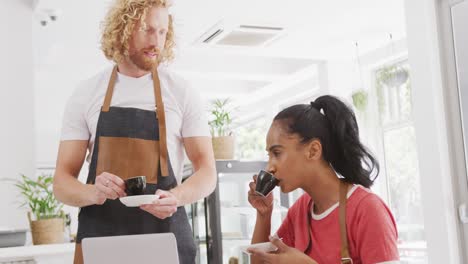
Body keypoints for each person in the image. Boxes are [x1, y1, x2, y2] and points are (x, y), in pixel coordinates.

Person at [52, 1, 216, 263]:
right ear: (123, 30)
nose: (157, 42)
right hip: (102, 244)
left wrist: (175, 197)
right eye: (147, 30)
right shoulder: (85, 94)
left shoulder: (182, 91)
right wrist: (94, 192)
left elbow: (207, 172)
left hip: (165, 240)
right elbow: (61, 182)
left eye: (162, 32)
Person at [247, 95, 399, 264]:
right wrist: (263, 215)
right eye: (269, 155)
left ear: (313, 151)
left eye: (277, 153)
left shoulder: (368, 210)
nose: (270, 167)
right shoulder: (300, 211)